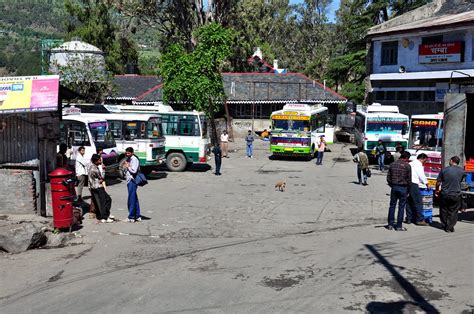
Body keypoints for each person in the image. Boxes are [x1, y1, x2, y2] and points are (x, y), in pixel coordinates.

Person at [435, 156, 465, 233]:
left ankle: (445, 224)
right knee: (453, 211)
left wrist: (437, 190)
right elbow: (460, 181)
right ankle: (450, 226)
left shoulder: (444, 170)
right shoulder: (462, 171)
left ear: (451, 161)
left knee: (444, 210)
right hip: (456, 194)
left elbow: (438, 182)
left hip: (445, 194)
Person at [386, 151, 412, 231]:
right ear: (406, 158)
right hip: (403, 188)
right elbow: (409, 180)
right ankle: (398, 226)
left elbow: (388, 178)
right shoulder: (407, 166)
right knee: (401, 207)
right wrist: (409, 190)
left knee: (392, 206)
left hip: (394, 187)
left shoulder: (392, 164)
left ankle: (390, 224)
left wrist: (392, 185)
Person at [89, 154, 113, 223]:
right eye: (99, 160)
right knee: (105, 201)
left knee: (103, 201)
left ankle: (104, 215)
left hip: (94, 187)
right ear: (96, 161)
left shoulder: (92, 167)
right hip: (98, 187)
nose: (100, 161)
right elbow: (101, 178)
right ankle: (105, 216)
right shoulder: (95, 169)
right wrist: (104, 170)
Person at [406, 153, 429, 226]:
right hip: (414, 184)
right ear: (423, 158)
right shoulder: (418, 164)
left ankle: (409, 218)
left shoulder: (410, 163)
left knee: (409, 202)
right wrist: (427, 183)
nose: (425, 162)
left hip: (407, 184)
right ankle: (419, 220)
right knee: (418, 202)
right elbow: (421, 175)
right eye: (425, 160)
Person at [123, 147, 141, 222]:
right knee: (134, 198)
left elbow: (134, 170)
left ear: (132, 153)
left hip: (132, 180)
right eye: (126, 153)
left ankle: (131, 216)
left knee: (131, 199)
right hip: (129, 180)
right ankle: (137, 215)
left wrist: (128, 166)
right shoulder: (128, 159)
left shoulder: (134, 159)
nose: (127, 154)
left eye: (129, 153)